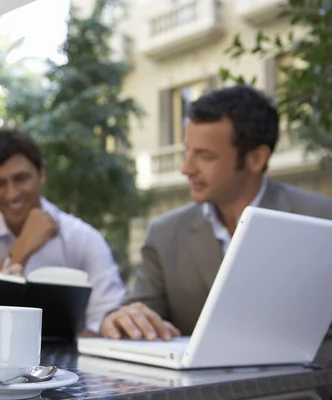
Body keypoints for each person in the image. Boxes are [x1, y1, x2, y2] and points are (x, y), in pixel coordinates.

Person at [101, 85, 332, 341]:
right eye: (187, 151)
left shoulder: (320, 219)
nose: (186, 168)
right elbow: (137, 314)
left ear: (256, 158)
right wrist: (122, 319)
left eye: (205, 156)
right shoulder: (164, 234)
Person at [0, 129, 126, 332]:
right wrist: (22, 247)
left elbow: (108, 317)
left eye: (21, 178)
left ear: (42, 175)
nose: (12, 193)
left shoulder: (84, 239)